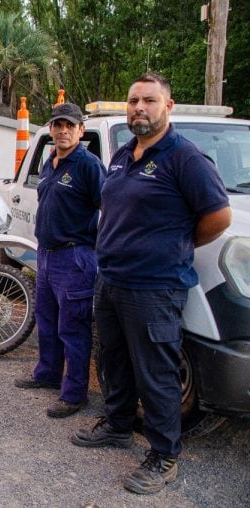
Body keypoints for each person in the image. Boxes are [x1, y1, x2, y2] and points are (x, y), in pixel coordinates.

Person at [71, 73, 232, 495]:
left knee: (156, 373)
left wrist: (175, 244)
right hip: (112, 280)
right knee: (114, 360)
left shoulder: (186, 158)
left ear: (168, 106)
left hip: (155, 287)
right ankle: (118, 425)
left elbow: (219, 217)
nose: (139, 107)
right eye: (133, 100)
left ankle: (164, 456)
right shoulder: (124, 154)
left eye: (149, 100)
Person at [14, 102, 106, 419]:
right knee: (48, 321)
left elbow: (107, 208)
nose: (63, 130)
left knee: (73, 328)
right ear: (51, 130)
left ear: (81, 130)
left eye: (69, 125)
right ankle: (47, 373)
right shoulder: (51, 163)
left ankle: (74, 393)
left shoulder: (88, 165)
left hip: (75, 257)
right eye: (57, 125)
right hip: (47, 255)